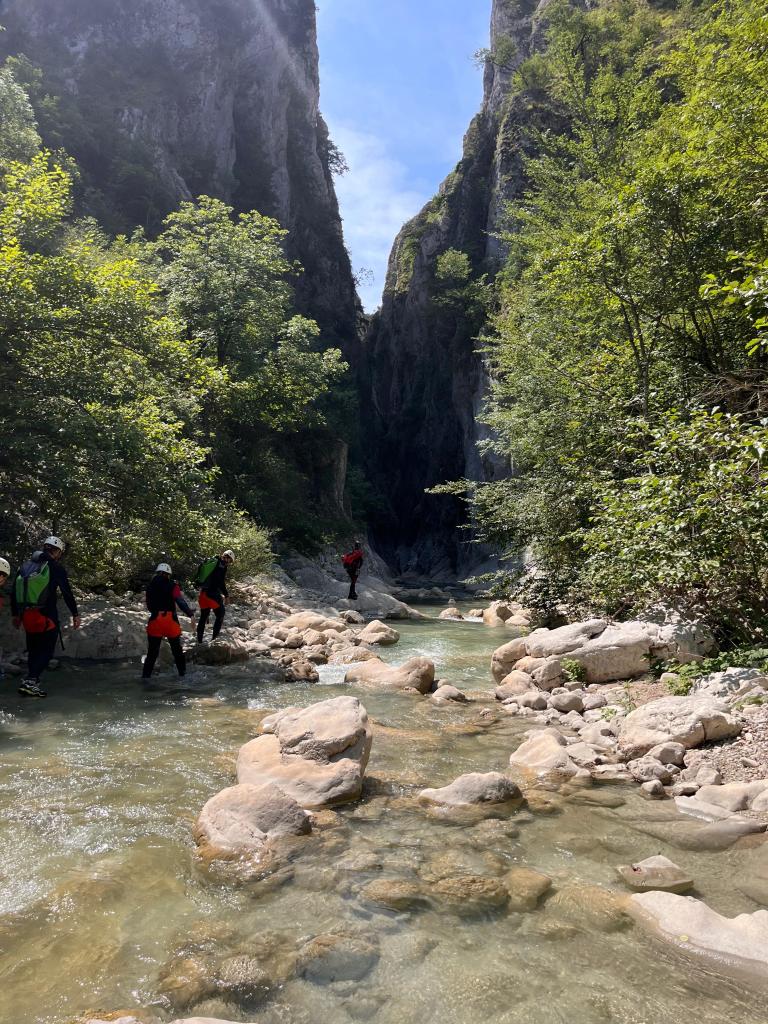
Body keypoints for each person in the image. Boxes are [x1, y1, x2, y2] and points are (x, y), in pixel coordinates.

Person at [10, 536, 81, 698]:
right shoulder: (56, 567)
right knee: (47, 651)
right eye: (60, 553)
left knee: (33, 649)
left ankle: (31, 682)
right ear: (57, 552)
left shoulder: (25, 566)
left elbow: (14, 592)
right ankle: (31, 681)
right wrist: (75, 614)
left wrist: (15, 615)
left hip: (26, 616)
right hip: (46, 616)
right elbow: (67, 593)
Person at [143, 563, 195, 682]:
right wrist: (190, 614)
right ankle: (183, 676)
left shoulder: (150, 586)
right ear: (168, 574)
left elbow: (149, 606)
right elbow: (180, 601)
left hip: (155, 621)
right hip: (170, 622)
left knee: (152, 654)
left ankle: (145, 679)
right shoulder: (173, 586)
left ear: (157, 573)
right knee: (177, 652)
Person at [196, 549, 235, 645]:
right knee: (221, 614)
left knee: (203, 617)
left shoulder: (213, 561)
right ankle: (215, 640)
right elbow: (221, 583)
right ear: (228, 558)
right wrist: (226, 595)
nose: (229, 563)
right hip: (211, 595)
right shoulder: (222, 566)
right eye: (230, 561)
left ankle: (199, 641)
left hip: (202, 594)